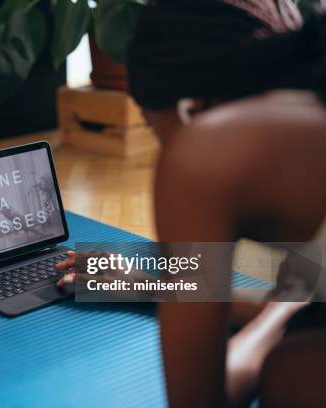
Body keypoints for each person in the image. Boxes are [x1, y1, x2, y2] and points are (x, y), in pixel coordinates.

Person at [56, 1, 326, 406]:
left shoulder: (206, 147)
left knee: (291, 372)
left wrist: (282, 314)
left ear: (191, 110)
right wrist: (145, 287)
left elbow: (200, 400)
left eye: (153, 127)